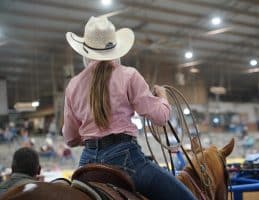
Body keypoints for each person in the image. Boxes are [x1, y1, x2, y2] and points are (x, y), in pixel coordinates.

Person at [63, 15, 196, 200]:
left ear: (85, 50)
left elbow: (70, 138)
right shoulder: (129, 76)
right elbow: (161, 117)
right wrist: (163, 97)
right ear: (115, 49)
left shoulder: (73, 85)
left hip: (87, 163)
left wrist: (88, 138)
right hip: (125, 158)